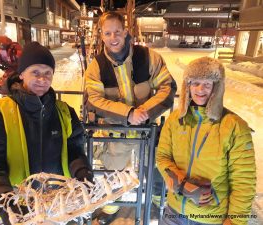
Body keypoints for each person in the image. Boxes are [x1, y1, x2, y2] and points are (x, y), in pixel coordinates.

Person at [0, 42, 93, 225]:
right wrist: (4, 203)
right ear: (21, 74)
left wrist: (83, 175)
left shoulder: (65, 112)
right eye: (35, 72)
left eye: (47, 73)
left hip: (58, 206)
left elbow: (74, 151)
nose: (42, 79)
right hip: (16, 210)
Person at [84, 11, 177, 223]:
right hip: (116, 134)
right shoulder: (96, 67)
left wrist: (145, 113)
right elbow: (94, 100)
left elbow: (168, 86)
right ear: (102, 36)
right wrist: (128, 114)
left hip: (148, 131)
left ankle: (156, 204)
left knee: (155, 172)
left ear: (126, 32)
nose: (113, 37)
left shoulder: (149, 57)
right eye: (108, 33)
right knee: (112, 175)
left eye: (117, 31)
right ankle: (110, 210)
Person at [156, 57, 256, 225]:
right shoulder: (175, 120)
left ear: (216, 87)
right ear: (187, 86)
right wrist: (181, 186)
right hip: (173, 212)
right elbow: (162, 157)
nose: (200, 89)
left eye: (207, 84)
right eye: (195, 83)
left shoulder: (234, 127)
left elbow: (243, 182)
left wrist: (235, 221)